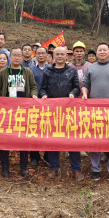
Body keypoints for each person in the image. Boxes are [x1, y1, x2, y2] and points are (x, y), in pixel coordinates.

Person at [82, 42, 109, 181]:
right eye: (99, 50)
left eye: (104, 50)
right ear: (96, 53)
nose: (102, 52)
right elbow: (85, 84)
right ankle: (96, 169)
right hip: (95, 110)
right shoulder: (91, 68)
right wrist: (84, 94)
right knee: (95, 140)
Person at [0, 46, 38, 178]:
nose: (17, 57)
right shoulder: (3, 72)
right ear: (9, 57)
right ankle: (5, 166)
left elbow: (33, 87)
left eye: (19, 55)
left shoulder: (27, 72)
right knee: (5, 138)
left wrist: (34, 95)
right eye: (14, 55)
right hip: (7, 111)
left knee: (23, 139)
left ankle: (23, 166)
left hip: (24, 110)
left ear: (22, 58)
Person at [39, 47, 83, 181]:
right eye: (57, 54)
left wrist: (73, 93)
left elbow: (77, 87)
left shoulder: (71, 71)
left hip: (69, 111)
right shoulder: (48, 71)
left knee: (72, 139)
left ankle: (76, 169)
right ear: (53, 56)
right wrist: (44, 95)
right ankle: (54, 167)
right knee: (54, 138)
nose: (59, 56)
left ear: (66, 56)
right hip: (53, 111)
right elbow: (42, 88)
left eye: (62, 54)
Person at [28, 46, 50, 166]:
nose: (41, 55)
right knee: (34, 130)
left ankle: (47, 155)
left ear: (47, 55)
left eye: (43, 53)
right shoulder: (30, 69)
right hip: (34, 104)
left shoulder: (52, 69)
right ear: (35, 55)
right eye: (38, 53)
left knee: (48, 129)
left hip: (49, 104)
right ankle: (34, 156)